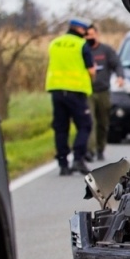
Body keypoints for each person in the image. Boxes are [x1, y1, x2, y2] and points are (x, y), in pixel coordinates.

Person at [46, 17, 94, 175]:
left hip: (56, 90)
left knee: (61, 128)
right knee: (85, 124)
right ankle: (78, 158)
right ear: (80, 30)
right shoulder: (81, 45)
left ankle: (63, 164)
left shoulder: (54, 43)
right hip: (76, 91)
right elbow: (91, 70)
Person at [84, 24, 121, 161]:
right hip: (88, 91)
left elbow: (116, 64)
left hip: (103, 91)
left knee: (103, 122)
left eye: (92, 35)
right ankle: (90, 150)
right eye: (87, 35)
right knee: (90, 121)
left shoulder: (105, 50)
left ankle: (100, 148)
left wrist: (120, 76)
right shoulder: (84, 50)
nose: (89, 38)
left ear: (97, 35)